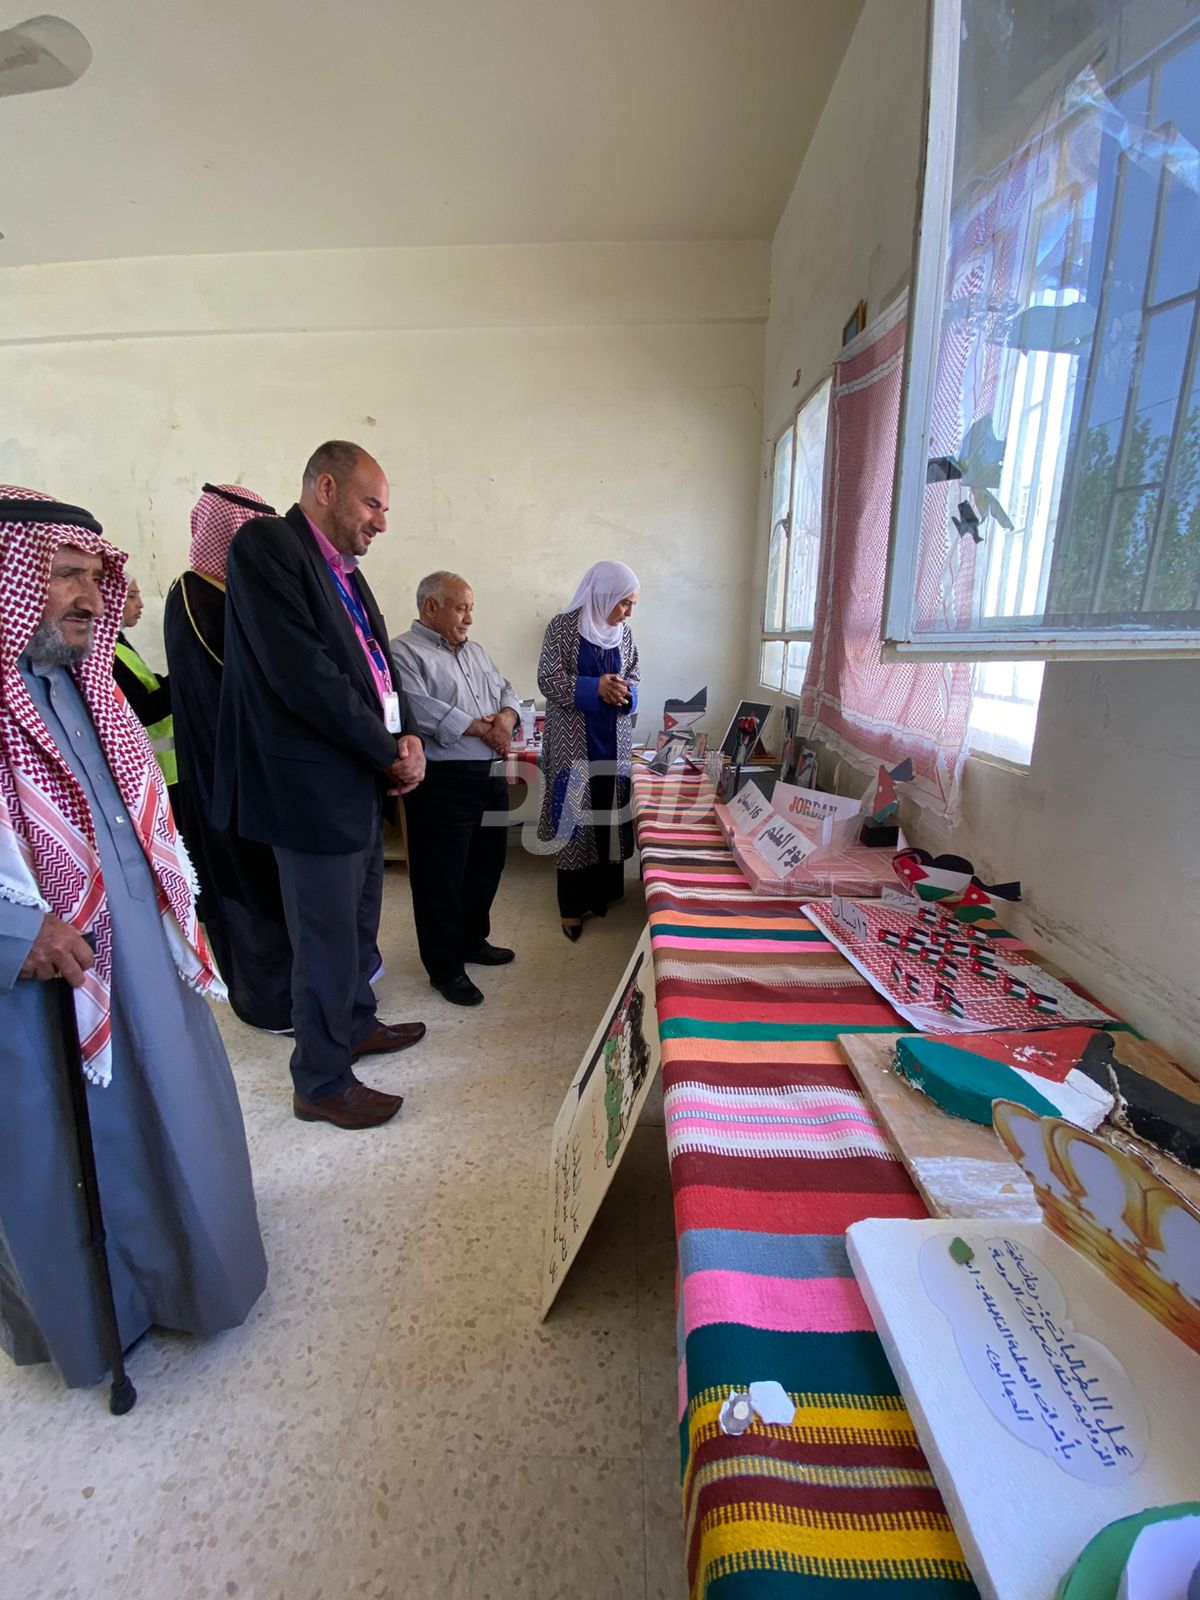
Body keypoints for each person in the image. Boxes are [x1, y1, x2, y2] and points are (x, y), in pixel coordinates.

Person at [0, 486, 266, 1389]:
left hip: (140, 955)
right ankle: (107, 1314)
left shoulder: (82, 682)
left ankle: (190, 1277)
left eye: (92, 576)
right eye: (62, 576)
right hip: (41, 980)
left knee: (171, 1112)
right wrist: (14, 929)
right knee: (69, 1155)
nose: (87, 596)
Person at [214, 441, 427, 1131]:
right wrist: (387, 751)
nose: (381, 523)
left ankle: (356, 1024)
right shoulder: (267, 547)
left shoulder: (346, 572)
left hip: (356, 781)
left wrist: (408, 733)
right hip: (309, 794)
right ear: (326, 488)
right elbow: (305, 675)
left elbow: (377, 664)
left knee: (359, 926)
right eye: (372, 505)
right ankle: (321, 1081)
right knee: (324, 941)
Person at [163, 483, 294, 1033]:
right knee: (249, 892)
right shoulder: (200, 596)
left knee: (269, 888)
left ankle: (290, 994)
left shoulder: (220, 592)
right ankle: (271, 1006)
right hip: (229, 776)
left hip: (244, 770)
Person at [391, 571, 519, 1007]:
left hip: (488, 774)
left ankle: (472, 941)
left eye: (471, 609)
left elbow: (506, 689)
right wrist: (482, 728)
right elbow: (417, 706)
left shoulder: (476, 651)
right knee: (441, 876)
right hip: (442, 779)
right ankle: (445, 967)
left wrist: (505, 720)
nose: (469, 618)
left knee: (488, 864)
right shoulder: (402, 652)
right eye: (461, 608)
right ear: (431, 606)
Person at [537, 561, 640, 941]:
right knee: (573, 818)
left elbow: (635, 676)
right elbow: (547, 679)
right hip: (573, 742)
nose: (628, 612)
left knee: (608, 815)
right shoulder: (563, 627)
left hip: (614, 742)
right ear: (604, 595)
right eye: (624, 602)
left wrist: (625, 692)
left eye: (632, 604)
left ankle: (603, 895)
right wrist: (594, 688)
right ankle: (571, 907)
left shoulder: (624, 634)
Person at [112, 574, 177, 785]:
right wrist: (184, 679)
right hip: (155, 771)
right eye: (131, 596)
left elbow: (148, 685)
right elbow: (144, 709)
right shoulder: (106, 652)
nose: (140, 604)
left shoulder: (119, 644)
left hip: (168, 767)